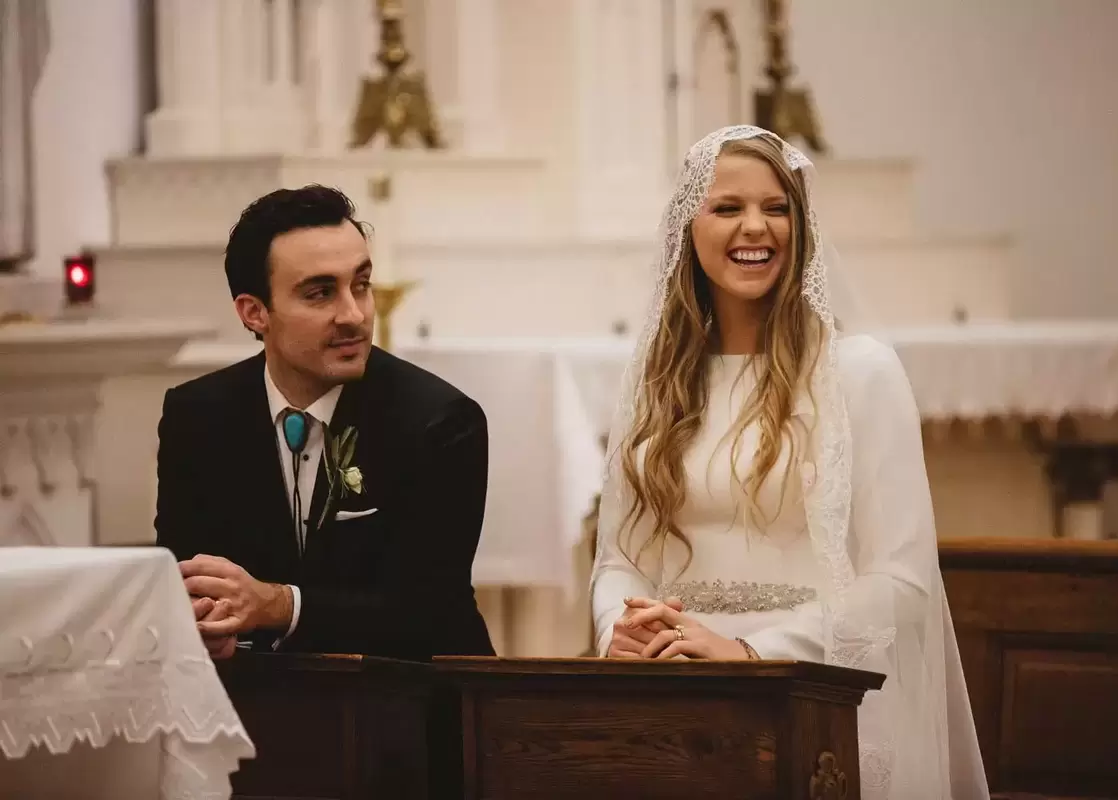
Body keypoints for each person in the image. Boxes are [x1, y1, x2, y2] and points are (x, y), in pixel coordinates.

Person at [589, 126, 989, 798]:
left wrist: (754, 653)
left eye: (777, 208)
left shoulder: (858, 373)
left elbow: (904, 581)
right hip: (675, 693)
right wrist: (618, 633)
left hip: (813, 694)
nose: (757, 227)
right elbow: (617, 559)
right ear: (687, 227)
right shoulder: (653, 380)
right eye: (728, 208)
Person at [155, 184, 494, 661]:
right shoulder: (197, 415)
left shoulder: (438, 422)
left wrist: (278, 606)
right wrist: (207, 624)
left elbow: (428, 609)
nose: (354, 315)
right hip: (250, 706)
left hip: (415, 708)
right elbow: (184, 575)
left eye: (361, 284)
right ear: (254, 313)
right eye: (320, 293)